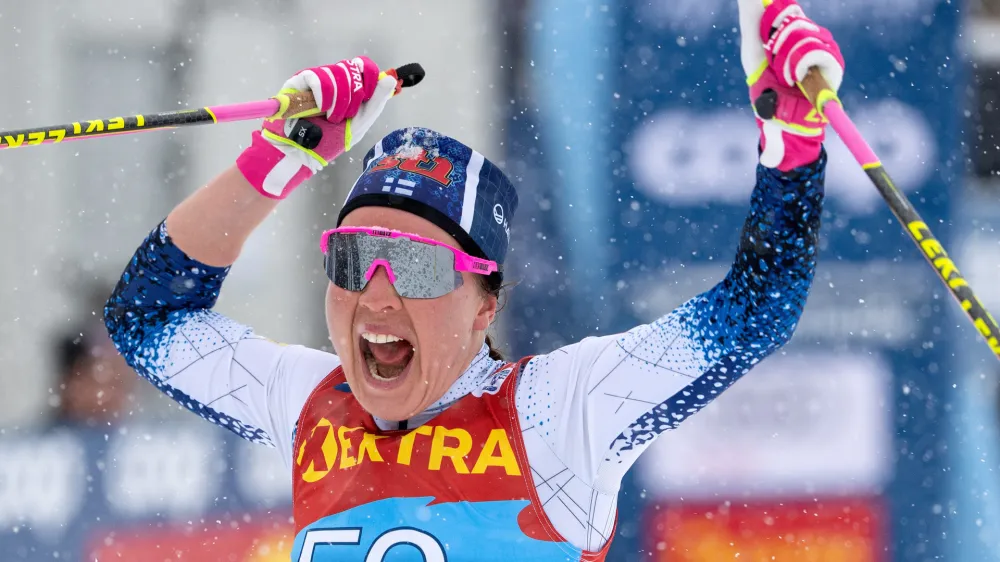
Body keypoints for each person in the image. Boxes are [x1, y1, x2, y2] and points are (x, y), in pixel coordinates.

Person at [104, 1, 844, 559]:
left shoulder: (558, 411)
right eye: (355, 260)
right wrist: (281, 157)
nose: (380, 296)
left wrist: (795, 143)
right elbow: (146, 319)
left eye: (420, 267)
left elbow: (755, 309)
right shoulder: (311, 405)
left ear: (485, 303)